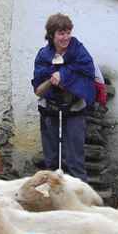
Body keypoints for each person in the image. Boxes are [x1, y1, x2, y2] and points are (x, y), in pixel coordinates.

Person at [32, 13, 96, 182]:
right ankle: (52, 199)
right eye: (61, 33)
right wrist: (51, 78)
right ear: (52, 35)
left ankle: (82, 201)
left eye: (68, 32)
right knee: (51, 160)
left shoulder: (79, 52)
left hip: (74, 108)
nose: (66, 37)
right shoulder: (43, 55)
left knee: (75, 160)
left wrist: (64, 75)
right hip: (50, 109)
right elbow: (38, 85)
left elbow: (88, 72)